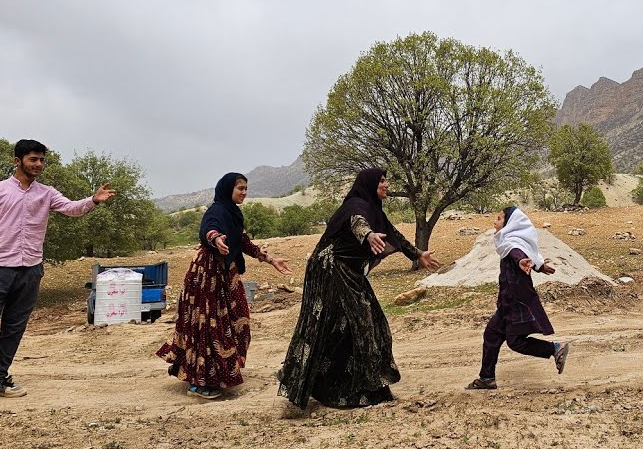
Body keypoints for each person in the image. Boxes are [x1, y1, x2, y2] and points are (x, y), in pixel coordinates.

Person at [0, 139, 116, 407]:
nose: (38, 165)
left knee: (14, 327)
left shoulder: (47, 193)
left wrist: (93, 201)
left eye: (41, 160)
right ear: (18, 161)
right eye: (33, 160)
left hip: (30, 269)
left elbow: (71, 208)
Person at [278, 168, 439, 409]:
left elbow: (394, 234)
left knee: (362, 323)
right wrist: (368, 235)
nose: (386, 184)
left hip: (348, 270)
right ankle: (362, 388)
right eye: (382, 180)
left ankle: (343, 384)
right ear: (370, 183)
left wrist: (417, 254)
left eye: (386, 180)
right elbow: (358, 222)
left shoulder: (374, 209)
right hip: (329, 270)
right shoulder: (357, 205)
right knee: (357, 322)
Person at [156, 173, 291, 399]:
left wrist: (269, 259)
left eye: (246, 188)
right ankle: (199, 383)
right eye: (240, 188)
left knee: (236, 320)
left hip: (225, 274)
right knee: (209, 326)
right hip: (207, 276)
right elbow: (209, 229)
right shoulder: (217, 211)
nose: (244, 192)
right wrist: (216, 239)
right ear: (228, 189)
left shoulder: (233, 213)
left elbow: (242, 241)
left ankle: (217, 373)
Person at [465, 206, 570, 391]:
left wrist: (521, 260)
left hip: (515, 301)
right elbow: (525, 253)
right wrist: (538, 266)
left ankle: (555, 349)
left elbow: (517, 252)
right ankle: (486, 378)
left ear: (510, 223)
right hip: (507, 301)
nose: (494, 222)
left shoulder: (512, 243)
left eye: (498, 218)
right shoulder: (511, 241)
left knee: (516, 342)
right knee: (492, 334)